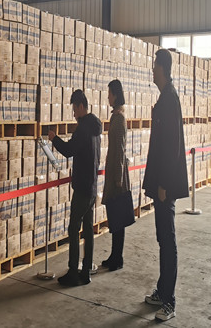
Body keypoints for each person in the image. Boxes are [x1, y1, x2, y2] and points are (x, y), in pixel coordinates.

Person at [142, 49, 189, 322]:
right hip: (160, 183)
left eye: (154, 65)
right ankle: (162, 291)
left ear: (161, 67)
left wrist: (163, 184)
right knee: (162, 238)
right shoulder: (164, 98)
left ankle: (169, 301)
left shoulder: (170, 99)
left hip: (165, 186)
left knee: (168, 241)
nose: (152, 70)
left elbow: (172, 148)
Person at [48, 89, 102, 286]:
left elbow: (69, 150)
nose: (73, 114)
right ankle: (85, 271)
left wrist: (54, 139)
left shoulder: (84, 129)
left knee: (73, 228)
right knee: (87, 230)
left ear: (80, 106)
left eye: (74, 109)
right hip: (92, 186)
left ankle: (73, 272)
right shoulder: (96, 128)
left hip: (82, 189)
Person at [101, 79, 133, 271]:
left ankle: (117, 257)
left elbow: (120, 149)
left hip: (117, 175)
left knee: (118, 217)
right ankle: (114, 254)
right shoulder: (116, 116)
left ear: (115, 94)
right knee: (114, 216)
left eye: (110, 94)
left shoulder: (119, 118)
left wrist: (118, 179)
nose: (108, 97)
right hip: (114, 172)